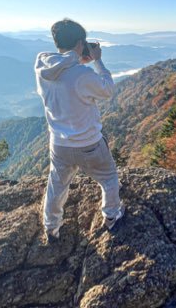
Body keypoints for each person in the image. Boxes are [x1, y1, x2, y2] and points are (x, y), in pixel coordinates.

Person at [34, 18, 124, 243]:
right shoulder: (82, 75)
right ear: (80, 42)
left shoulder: (42, 68)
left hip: (59, 144)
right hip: (89, 144)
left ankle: (51, 227)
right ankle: (112, 216)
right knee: (109, 178)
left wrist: (78, 59)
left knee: (57, 185)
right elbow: (107, 89)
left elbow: (65, 73)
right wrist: (97, 62)